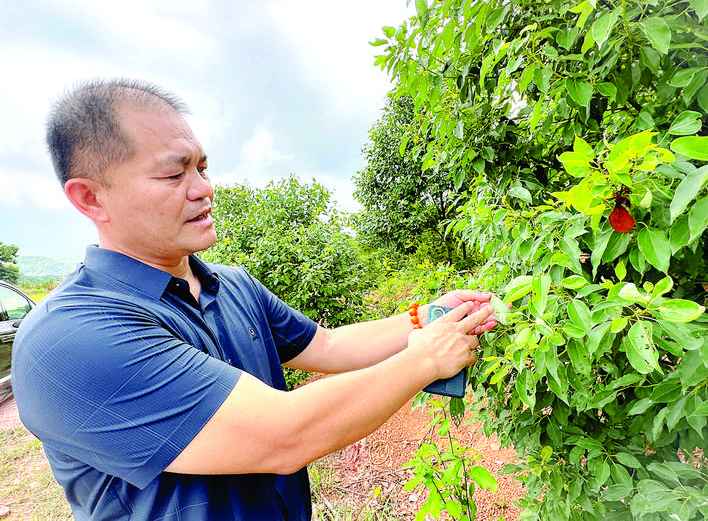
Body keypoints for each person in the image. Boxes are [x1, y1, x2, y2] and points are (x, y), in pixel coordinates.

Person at [12, 78, 497, 520]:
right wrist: (423, 360)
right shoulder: (70, 338)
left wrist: (429, 317)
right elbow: (285, 435)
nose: (204, 189)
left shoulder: (232, 284)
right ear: (91, 199)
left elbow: (326, 347)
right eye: (173, 175)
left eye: (202, 167)